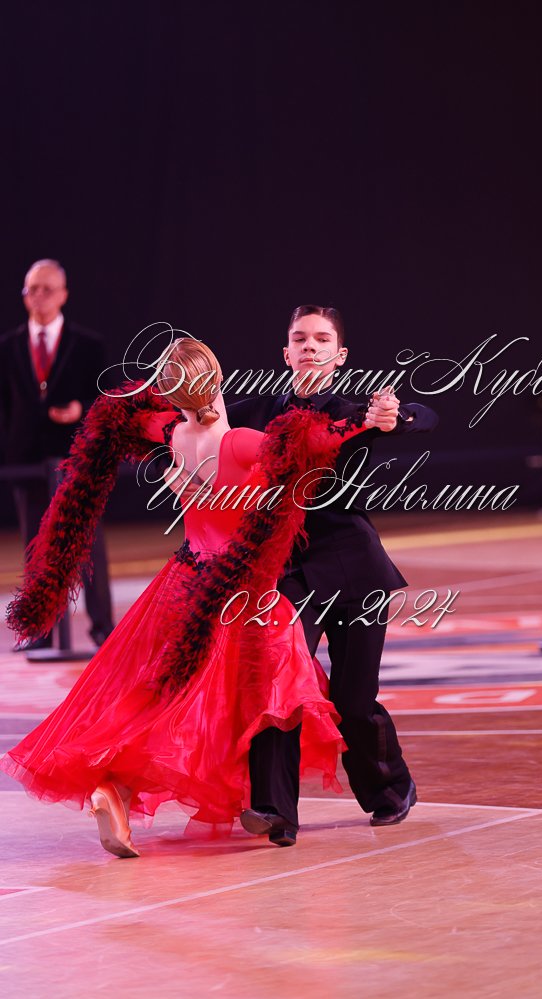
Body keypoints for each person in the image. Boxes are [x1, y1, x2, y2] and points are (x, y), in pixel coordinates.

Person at [0, 337, 379, 857]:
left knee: (159, 696)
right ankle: (266, 805)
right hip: (237, 590)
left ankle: (118, 790)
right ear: (218, 379)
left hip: (181, 582)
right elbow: (308, 444)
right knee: (256, 693)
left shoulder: (173, 435)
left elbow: (125, 415)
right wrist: (367, 419)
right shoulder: (239, 442)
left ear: (171, 394)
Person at [220, 305, 439, 835]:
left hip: (356, 568)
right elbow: (203, 421)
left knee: (353, 699)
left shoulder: (355, 410)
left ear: (340, 355)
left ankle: (391, 788)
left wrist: (397, 416)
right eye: (300, 338)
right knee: (277, 684)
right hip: (289, 571)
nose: (310, 347)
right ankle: (274, 810)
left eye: (322, 339)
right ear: (286, 352)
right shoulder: (257, 412)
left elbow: (424, 415)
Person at [0, 258, 114, 650]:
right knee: (36, 545)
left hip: (77, 458)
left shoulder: (88, 345)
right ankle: (41, 630)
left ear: (63, 294)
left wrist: (80, 408)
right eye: (32, 289)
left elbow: (106, 398)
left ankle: (103, 627)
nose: (39, 297)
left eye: (47, 289)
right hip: (28, 462)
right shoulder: (8, 347)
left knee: (87, 543)